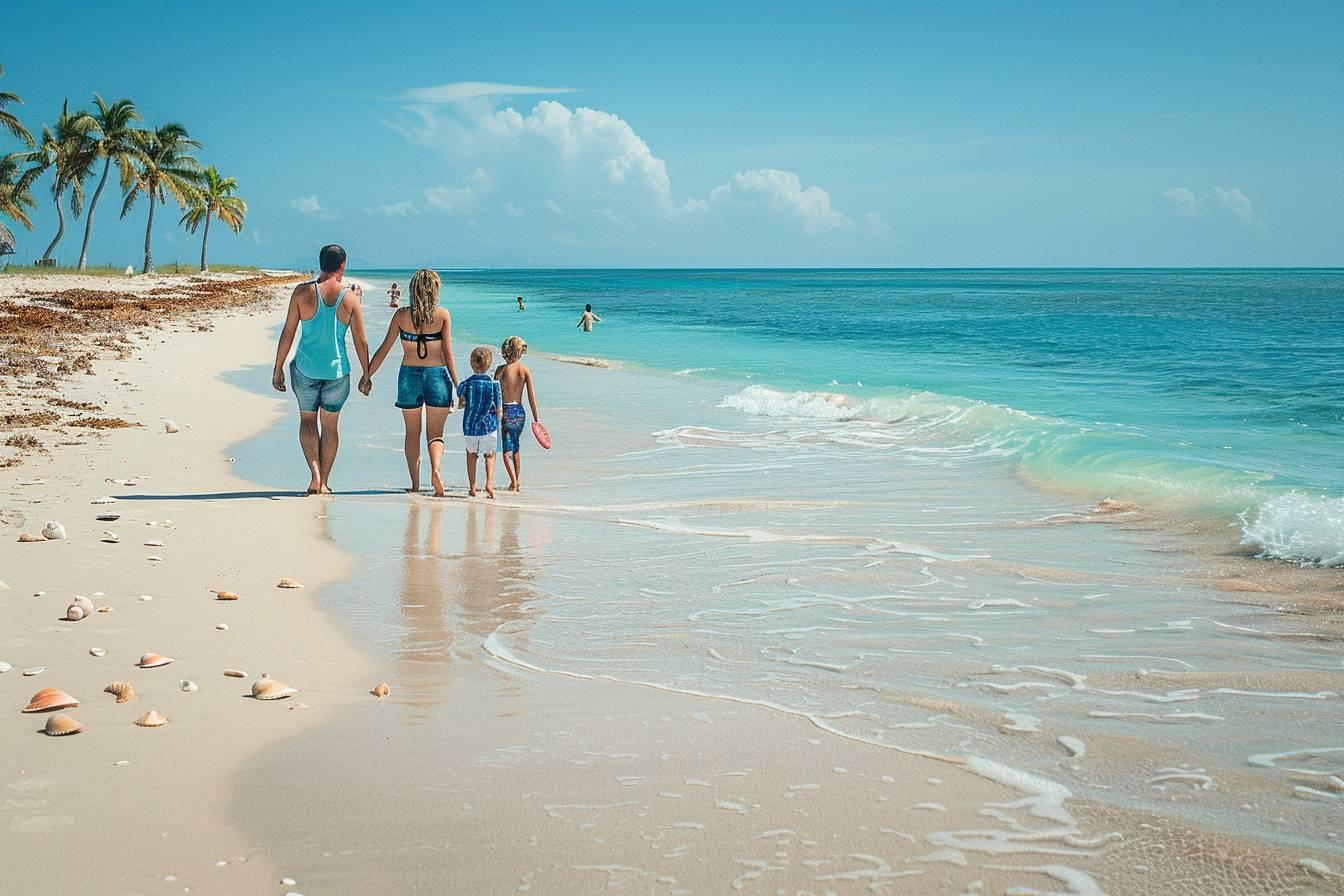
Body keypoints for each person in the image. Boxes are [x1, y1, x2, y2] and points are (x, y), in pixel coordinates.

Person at [272, 244, 371, 495]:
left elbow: (288, 331)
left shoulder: (302, 293)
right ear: (343, 265)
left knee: (307, 420)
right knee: (330, 426)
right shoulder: (350, 298)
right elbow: (361, 341)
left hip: (304, 370)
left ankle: (314, 475)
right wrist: (366, 373)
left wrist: (278, 367)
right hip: (337, 374)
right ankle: (325, 481)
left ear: (320, 263)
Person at [364, 269, 459, 496]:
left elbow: (384, 349)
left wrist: (367, 375)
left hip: (408, 377)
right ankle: (435, 470)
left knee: (412, 433)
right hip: (437, 375)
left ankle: (415, 484)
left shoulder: (401, 316)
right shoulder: (442, 315)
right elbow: (447, 354)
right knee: (435, 434)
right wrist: (458, 385)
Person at [494, 336, 540, 493]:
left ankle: (513, 481)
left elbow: (495, 396)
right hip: (520, 412)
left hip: (506, 412)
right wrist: (536, 418)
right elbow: (531, 396)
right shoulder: (524, 370)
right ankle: (517, 480)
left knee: (507, 450)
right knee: (516, 447)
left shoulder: (500, 370)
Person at [457, 346, 502, 499]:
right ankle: (489, 483)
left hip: (470, 426)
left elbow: (459, 393)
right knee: (490, 455)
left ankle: (473, 487)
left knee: (471, 454)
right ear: (489, 365)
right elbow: (499, 407)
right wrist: (500, 419)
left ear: (471, 363)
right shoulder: (494, 384)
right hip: (489, 425)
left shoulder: (467, 383)